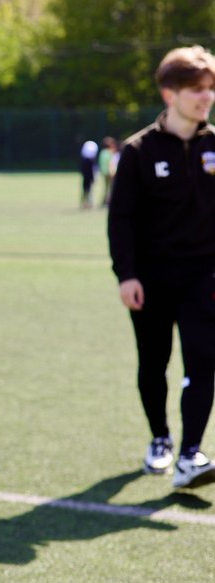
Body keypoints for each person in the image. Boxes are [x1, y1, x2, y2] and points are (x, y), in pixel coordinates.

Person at [108, 45, 215, 489]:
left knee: (204, 358)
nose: (206, 96)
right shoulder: (138, 151)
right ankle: (161, 439)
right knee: (154, 363)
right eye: (196, 89)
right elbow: (122, 219)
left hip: (203, 277)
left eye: (210, 88)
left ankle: (191, 454)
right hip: (149, 280)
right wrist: (126, 274)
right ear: (170, 94)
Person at [98, 136, 120, 206]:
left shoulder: (102, 152)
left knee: (106, 188)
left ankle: (104, 201)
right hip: (110, 173)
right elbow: (111, 163)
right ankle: (109, 201)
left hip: (104, 172)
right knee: (111, 188)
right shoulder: (110, 153)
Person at [79, 139, 99, 208]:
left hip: (86, 177)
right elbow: (92, 171)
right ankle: (88, 203)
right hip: (89, 177)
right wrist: (94, 178)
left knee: (85, 189)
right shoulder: (91, 161)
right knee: (89, 190)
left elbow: (82, 171)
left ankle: (84, 203)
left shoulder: (84, 161)